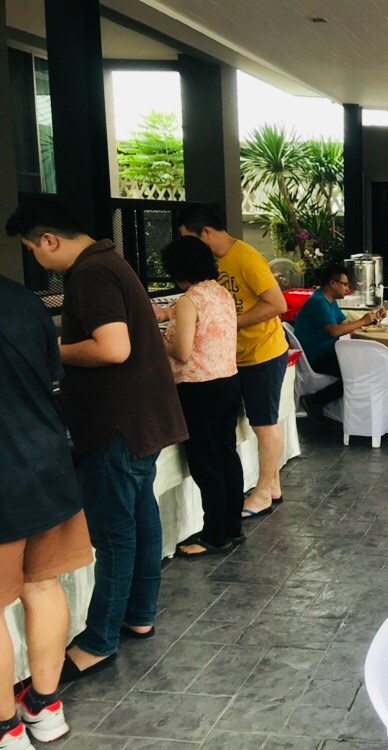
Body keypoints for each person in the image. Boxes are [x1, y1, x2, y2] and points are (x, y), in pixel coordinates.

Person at [6, 196, 187, 683]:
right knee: (141, 517)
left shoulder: (90, 273)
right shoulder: (110, 260)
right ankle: (139, 614)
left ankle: (98, 641)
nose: (35, 258)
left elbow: (113, 348)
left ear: (48, 240)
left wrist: (54, 350)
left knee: (113, 534)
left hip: (116, 425)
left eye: (32, 249)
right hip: (141, 420)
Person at [0, 277, 93, 748]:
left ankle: (6, 728)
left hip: (4, 470)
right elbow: (52, 372)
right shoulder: (24, 300)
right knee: (43, 585)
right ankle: (44, 705)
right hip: (46, 458)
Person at [177, 206, 289, 518]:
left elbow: (277, 304)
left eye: (189, 239)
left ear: (206, 233)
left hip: (262, 353)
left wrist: (229, 323)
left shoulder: (246, 258)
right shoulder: (213, 264)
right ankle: (272, 485)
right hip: (234, 356)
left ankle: (263, 492)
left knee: (263, 423)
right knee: (258, 422)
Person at [159, 236, 244, 556]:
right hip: (228, 381)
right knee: (226, 456)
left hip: (198, 388)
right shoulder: (219, 292)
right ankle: (231, 527)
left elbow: (181, 352)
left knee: (206, 463)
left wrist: (156, 339)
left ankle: (213, 536)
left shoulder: (189, 300)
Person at [293, 263, 386, 420]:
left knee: (362, 366)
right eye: (344, 284)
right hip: (316, 356)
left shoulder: (330, 301)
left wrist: (372, 318)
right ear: (333, 283)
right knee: (358, 372)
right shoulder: (318, 302)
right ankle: (315, 400)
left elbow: (346, 324)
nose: (347, 289)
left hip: (326, 351)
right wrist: (363, 321)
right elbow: (334, 331)